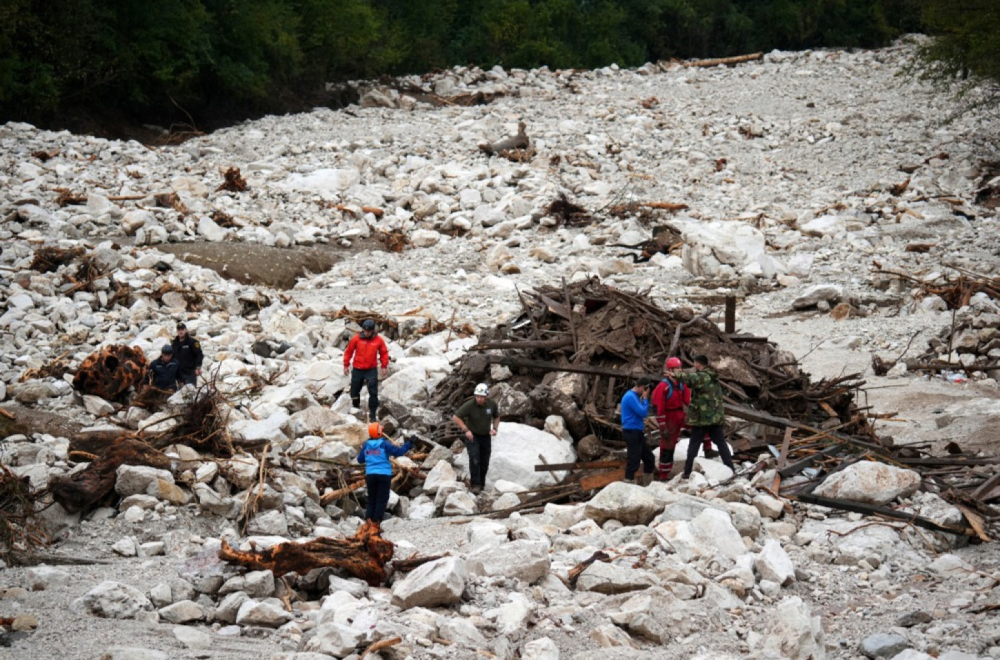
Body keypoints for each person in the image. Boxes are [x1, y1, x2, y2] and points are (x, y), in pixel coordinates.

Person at [667, 355, 735, 478]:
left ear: (698, 364)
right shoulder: (713, 377)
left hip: (703, 418)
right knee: (721, 443)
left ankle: (687, 472)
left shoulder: (703, 376)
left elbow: (691, 379)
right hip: (715, 417)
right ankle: (730, 468)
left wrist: (675, 375)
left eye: (694, 365)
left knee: (694, 444)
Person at [652, 357, 715, 479]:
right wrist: (662, 426)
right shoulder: (663, 386)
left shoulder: (681, 384)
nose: (680, 370)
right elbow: (658, 407)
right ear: (670, 369)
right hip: (669, 418)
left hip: (679, 414)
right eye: (677, 368)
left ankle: (708, 449)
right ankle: (663, 475)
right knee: (668, 446)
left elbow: (688, 400)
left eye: (680, 367)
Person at [356, 422, 413, 524]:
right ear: (380, 432)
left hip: (370, 475)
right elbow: (399, 452)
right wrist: (409, 443)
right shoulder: (385, 444)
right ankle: (377, 522)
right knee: (382, 498)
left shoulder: (366, 445)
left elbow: (360, 460)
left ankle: (368, 520)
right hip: (384, 475)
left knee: (372, 498)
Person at [451, 383, 499, 494]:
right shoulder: (470, 405)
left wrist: (495, 428)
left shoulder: (492, 405)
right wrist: (466, 430)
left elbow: (496, 416)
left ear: (486, 396)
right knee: (474, 459)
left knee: (484, 461)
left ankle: (482, 484)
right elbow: (456, 417)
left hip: (486, 436)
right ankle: (475, 485)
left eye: (481, 397)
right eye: (477, 396)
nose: (479, 399)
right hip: (473, 436)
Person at [343, 319, 389, 421]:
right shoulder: (356, 339)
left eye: (369, 331)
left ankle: (372, 414)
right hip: (357, 369)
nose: (366, 333)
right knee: (354, 390)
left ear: (373, 331)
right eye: (365, 331)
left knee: (373, 392)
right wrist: (346, 365)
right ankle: (355, 408)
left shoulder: (378, 340)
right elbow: (348, 352)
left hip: (371, 369)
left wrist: (384, 366)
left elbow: (384, 353)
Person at [621, 376, 656, 484]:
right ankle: (628, 480)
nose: (647, 393)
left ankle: (648, 483)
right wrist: (645, 399)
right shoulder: (631, 396)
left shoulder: (635, 396)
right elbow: (643, 412)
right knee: (634, 459)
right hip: (631, 431)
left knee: (649, 458)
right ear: (642, 388)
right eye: (646, 390)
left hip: (637, 431)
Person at [171, 322, 204, 386]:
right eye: (179, 330)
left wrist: (198, 367)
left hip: (190, 373)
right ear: (177, 331)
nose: (181, 332)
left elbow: (199, 354)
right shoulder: (174, 343)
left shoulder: (192, 342)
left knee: (190, 392)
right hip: (178, 374)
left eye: (182, 329)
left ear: (186, 330)